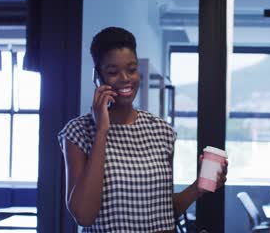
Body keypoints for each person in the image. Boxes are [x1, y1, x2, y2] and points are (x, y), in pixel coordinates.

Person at [58, 27, 228, 232]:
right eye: (113, 72)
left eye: (131, 69)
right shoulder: (78, 133)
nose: (125, 78)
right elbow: (84, 215)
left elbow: (165, 211)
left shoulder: (162, 131)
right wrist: (102, 131)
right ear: (98, 77)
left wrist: (198, 187)